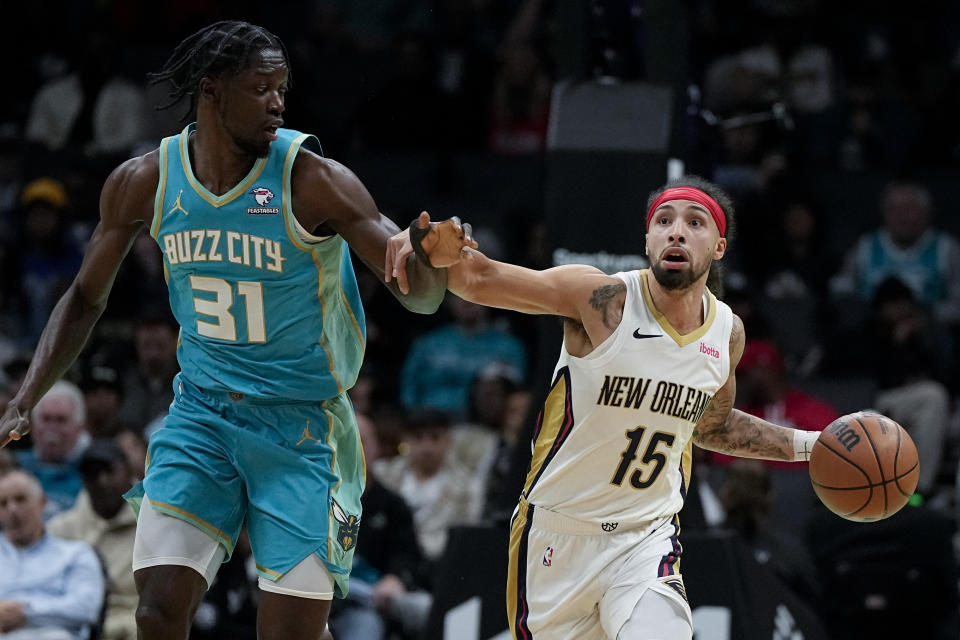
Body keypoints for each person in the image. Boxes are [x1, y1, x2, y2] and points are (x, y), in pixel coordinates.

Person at [0, 20, 453, 640]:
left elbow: (422, 299)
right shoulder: (145, 180)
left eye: (282, 87)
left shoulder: (312, 179)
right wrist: (28, 394)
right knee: (157, 610)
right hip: (203, 413)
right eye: (261, 87)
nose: (278, 103)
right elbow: (83, 298)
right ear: (211, 91)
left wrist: (425, 259)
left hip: (302, 425)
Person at [386, 175, 826, 639]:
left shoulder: (726, 332)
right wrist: (435, 248)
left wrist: (813, 446)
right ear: (648, 240)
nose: (676, 231)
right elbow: (482, 278)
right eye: (664, 221)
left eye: (695, 223)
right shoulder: (602, 300)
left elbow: (711, 426)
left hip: (646, 537)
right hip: (559, 534)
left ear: (718, 247)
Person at [48, 439, 139, 640]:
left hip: (136, 626)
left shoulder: (153, 522)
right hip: (75, 627)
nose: (103, 481)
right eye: (93, 474)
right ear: (82, 480)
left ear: (128, 470)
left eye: (109, 471)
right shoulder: (60, 529)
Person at [0, 470, 105, 640]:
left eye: (21, 499)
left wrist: (27, 612)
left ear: (42, 502)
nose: (12, 510)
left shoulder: (76, 553)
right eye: (3, 503)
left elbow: (87, 608)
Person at [15, 380, 90, 517]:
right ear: (33, 424)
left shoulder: (93, 471)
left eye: (61, 420)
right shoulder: (16, 466)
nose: (52, 428)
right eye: (46, 419)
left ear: (80, 427)